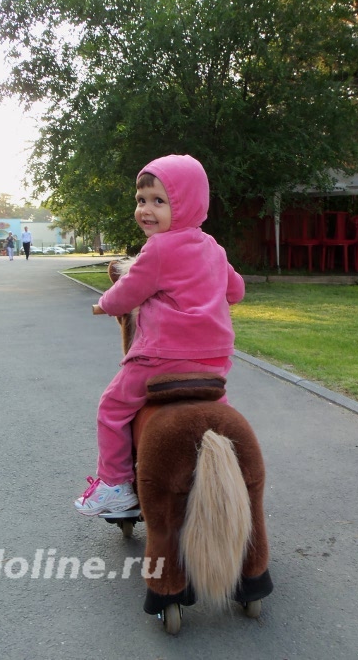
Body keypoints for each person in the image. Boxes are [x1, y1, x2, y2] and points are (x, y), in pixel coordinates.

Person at [74, 154, 245, 516]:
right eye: (141, 200)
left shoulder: (160, 248)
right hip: (215, 361)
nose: (145, 210)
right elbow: (237, 291)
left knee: (113, 408)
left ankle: (115, 484)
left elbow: (130, 291)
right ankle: (237, 472)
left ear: (186, 205)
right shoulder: (213, 247)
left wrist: (105, 303)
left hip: (163, 358)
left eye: (159, 201)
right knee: (221, 416)